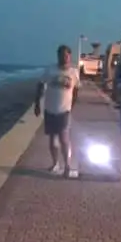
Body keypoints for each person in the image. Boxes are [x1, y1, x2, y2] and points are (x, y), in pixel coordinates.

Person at [34, 45, 80, 176]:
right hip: (50, 109)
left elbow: (76, 89)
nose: (64, 58)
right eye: (61, 55)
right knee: (52, 140)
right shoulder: (50, 70)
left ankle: (67, 165)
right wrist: (37, 104)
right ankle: (55, 163)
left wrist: (73, 104)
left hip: (64, 110)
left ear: (70, 56)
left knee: (64, 139)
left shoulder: (74, 72)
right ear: (57, 56)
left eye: (66, 55)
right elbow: (40, 85)